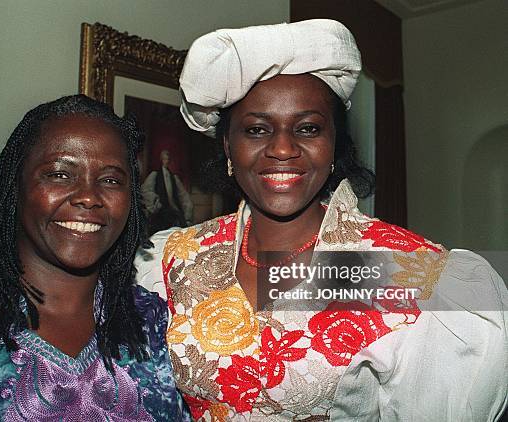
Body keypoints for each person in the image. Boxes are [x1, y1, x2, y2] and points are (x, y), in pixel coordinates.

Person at [135, 20, 508, 421]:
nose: (282, 148)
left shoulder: (399, 269)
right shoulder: (175, 257)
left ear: (333, 144)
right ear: (228, 145)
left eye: (308, 128)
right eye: (257, 129)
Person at [0, 95, 188, 420]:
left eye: (110, 180)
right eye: (60, 174)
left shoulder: (157, 326)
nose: (89, 197)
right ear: (15, 185)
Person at [142, 149, 194, 234]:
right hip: (161, 212)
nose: (166, 161)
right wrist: (156, 202)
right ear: (161, 160)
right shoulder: (155, 175)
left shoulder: (173, 178)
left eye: (168, 159)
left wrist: (187, 212)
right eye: (164, 159)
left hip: (173, 210)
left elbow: (183, 195)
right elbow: (145, 190)